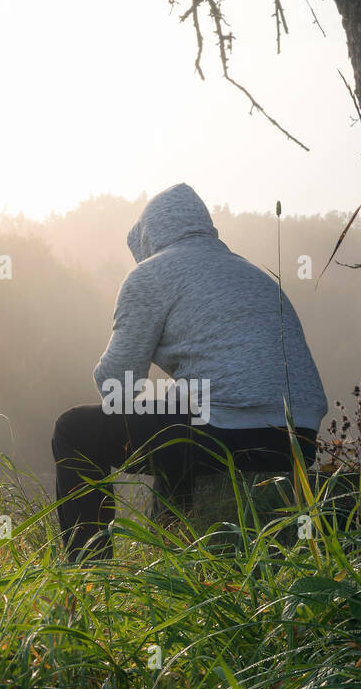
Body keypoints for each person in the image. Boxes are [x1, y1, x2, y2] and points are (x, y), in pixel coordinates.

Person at [52, 182, 327, 562]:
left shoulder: (152, 275)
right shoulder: (254, 274)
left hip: (227, 435)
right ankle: (174, 555)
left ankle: (89, 570)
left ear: (147, 238)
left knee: (74, 428)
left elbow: (117, 386)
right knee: (176, 419)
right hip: (299, 440)